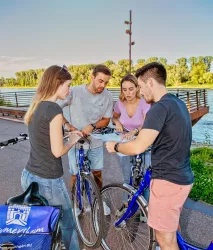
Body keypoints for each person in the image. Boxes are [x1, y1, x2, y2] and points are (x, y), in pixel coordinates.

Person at [105, 62, 194, 250]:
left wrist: (116, 147)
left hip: (167, 181)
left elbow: (138, 146)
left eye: (141, 86)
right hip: (182, 176)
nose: (141, 92)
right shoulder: (177, 103)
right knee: (171, 227)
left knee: (165, 241)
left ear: (151, 82)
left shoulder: (159, 108)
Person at [22, 65, 82, 250]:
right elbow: (57, 152)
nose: (69, 90)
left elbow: (43, 140)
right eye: (68, 85)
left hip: (29, 175)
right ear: (58, 83)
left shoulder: (37, 106)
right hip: (48, 180)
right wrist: (72, 140)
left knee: (42, 226)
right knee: (68, 224)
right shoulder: (54, 110)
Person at [61, 64, 113, 215]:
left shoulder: (107, 96)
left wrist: (92, 126)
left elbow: (106, 119)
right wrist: (68, 125)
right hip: (76, 142)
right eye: (100, 81)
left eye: (106, 82)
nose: (102, 85)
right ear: (92, 77)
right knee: (74, 174)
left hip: (96, 142)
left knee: (97, 173)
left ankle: (97, 200)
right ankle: (76, 204)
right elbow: (56, 108)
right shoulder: (75, 92)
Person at [112, 74, 150, 207]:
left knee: (145, 175)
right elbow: (114, 116)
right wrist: (117, 122)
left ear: (137, 88)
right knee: (126, 174)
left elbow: (147, 123)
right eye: (124, 89)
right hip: (126, 141)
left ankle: (144, 207)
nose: (128, 93)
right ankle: (126, 204)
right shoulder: (120, 103)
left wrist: (135, 131)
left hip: (143, 140)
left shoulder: (144, 102)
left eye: (131, 89)